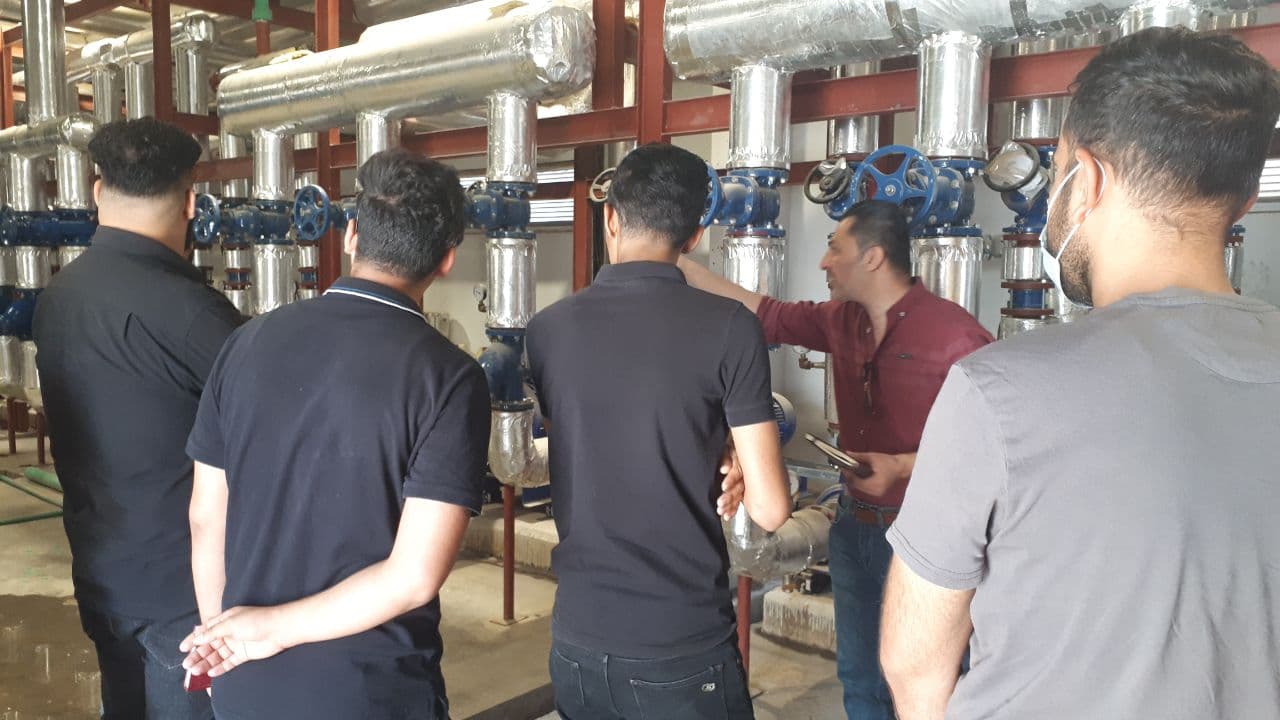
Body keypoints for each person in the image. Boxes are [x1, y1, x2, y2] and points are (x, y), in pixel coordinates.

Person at [879, 27, 1280, 720]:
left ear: (1085, 179)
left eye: (1056, 167)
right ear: (1242, 202)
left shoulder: (997, 392)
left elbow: (915, 665)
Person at [178, 148, 490, 720]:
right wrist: (267, 630)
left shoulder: (246, 343)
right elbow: (413, 576)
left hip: (248, 682)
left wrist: (223, 643)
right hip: (369, 691)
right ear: (447, 259)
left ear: (350, 235)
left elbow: (205, 517)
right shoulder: (449, 378)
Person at [678, 199, 992, 719]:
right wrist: (674, 258)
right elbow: (762, 312)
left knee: (932, 686)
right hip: (855, 530)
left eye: (834, 248)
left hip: (927, 540)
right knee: (861, 680)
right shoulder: (840, 322)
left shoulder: (955, 336)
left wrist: (903, 467)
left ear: (872, 257)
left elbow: (992, 446)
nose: (824, 262)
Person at [525, 142, 792, 720]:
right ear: (694, 237)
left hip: (577, 642)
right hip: (680, 644)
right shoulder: (731, 327)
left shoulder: (547, 330)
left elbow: (597, 433)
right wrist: (737, 455)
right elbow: (770, 511)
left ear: (611, 219)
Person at [33, 118, 242, 720]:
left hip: (100, 570)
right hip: (180, 596)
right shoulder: (197, 316)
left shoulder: (58, 297)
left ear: (98, 190)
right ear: (191, 203)